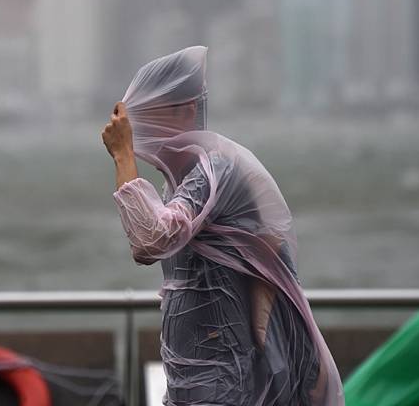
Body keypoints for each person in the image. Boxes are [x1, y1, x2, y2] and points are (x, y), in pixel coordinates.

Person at [102, 46, 344, 405]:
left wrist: (123, 156)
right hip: (188, 375)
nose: (140, 132)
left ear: (185, 111)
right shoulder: (180, 182)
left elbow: (152, 240)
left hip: (221, 380)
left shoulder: (215, 170)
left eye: (149, 116)